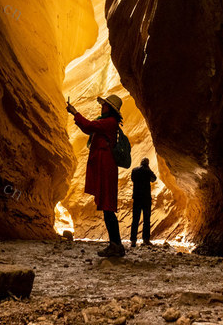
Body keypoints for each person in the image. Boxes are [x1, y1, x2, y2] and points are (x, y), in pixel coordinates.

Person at [66, 93, 125, 257]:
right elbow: (89, 128)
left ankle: (116, 245)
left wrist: (75, 112)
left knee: (108, 207)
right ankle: (116, 245)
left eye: (104, 105)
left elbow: (89, 126)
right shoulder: (109, 122)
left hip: (106, 167)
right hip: (105, 166)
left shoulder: (109, 122)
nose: (102, 107)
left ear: (110, 109)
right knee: (107, 207)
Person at [130, 156, 156, 246]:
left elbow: (133, 179)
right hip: (146, 198)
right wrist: (149, 170)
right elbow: (154, 178)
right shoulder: (148, 171)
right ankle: (146, 239)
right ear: (147, 164)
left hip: (137, 198)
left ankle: (133, 241)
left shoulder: (134, 170)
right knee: (146, 220)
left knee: (135, 219)